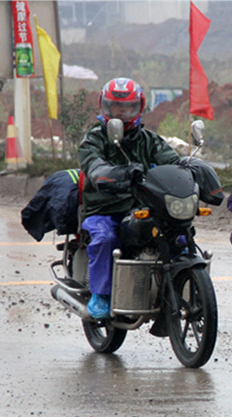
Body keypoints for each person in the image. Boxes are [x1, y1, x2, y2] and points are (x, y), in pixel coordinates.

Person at [78, 77, 180, 319]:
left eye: (127, 107)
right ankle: (101, 294)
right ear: (104, 106)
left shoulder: (149, 139)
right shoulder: (94, 138)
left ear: (138, 107)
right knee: (105, 237)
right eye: (115, 107)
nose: (121, 113)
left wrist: (190, 167)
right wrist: (118, 173)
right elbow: (94, 166)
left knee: (178, 235)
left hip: (141, 207)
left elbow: (171, 160)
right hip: (104, 209)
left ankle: (177, 287)